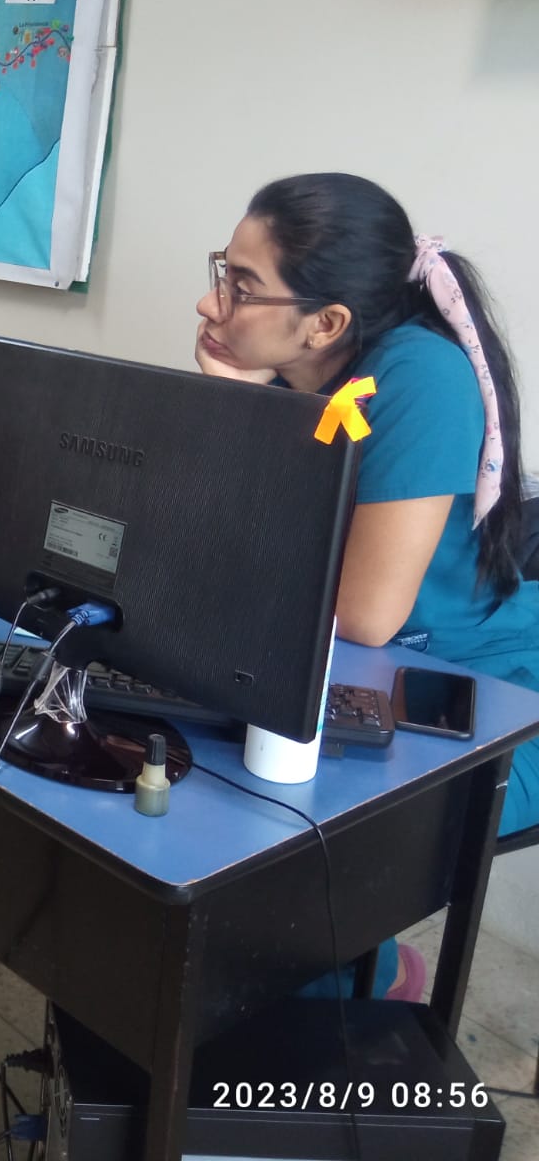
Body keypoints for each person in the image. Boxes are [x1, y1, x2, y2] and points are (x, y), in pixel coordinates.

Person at [195, 172, 533, 996]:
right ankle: (354, 971)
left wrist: (240, 417)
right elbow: (214, 541)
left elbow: (363, 614)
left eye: (243, 286)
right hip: (361, 668)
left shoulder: (420, 379)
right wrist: (238, 410)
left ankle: (361, 987)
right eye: (223, 272)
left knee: (278, 855)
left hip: (487, 695)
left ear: (327, 323)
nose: (211, 305)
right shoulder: (298, 375)